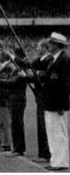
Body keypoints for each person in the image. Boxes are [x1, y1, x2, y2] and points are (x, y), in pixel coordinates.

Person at [42, 32, 70, 171]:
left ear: (58, 45)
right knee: (52, 133)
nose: (49, 45)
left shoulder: (64, 60)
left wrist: (60, 104)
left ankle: (61, 161)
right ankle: (55, 160)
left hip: (58, 103)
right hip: (51, 102)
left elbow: (63, 84)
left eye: (51, 43)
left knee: (59, 133)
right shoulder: (54, 59)